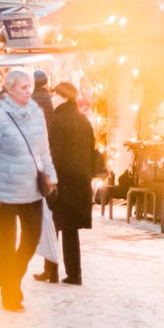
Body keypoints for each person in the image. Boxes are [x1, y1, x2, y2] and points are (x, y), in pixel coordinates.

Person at [0, 68, 56, 313]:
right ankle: (9, 292)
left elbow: (44, 149)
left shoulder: (37, 114)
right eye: (24, 88)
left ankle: (11, 278)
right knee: (7, 241)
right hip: (4, 190)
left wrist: (51, 176)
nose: (29, 92)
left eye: (30, 88)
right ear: (10, 89)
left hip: (32, 187)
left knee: (31, 237)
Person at [42, 81, 96, 285]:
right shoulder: (84, 121)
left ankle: (51, 271)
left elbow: (54, 154)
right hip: (80, 182)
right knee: (70, 229)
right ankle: (75, 274)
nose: (52, 98)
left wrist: (49, 179)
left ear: (64, 97)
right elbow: (91, 151)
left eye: (54, 95)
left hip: (61, 181)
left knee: (53, 226)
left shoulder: (58, 120)